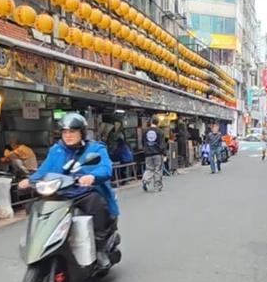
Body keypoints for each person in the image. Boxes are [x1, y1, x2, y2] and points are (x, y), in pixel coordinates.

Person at [18, 113, 117, 268]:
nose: (68, 135)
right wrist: (30, 180)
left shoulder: (95, 148)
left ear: (81, 133)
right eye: (65, 132)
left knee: (96, 205)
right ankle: (40, 243)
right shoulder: (56, 150)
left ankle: (100, 248)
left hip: (84, 192)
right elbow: (45, 169)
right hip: (61, 193)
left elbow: (106, 167)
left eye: (72, 132)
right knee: (34, 207)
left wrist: (92, 176)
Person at [141, 116, 165, 192]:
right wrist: (164, 153)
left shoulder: (145, 131)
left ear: (151, 122)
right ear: (158, 123)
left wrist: (145, 150)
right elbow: (162, 144)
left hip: (148, 153)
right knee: (157, 169)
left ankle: (145, 181)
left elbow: (142, 142)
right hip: (157, 153)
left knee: (149, 169)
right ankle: (157, 186)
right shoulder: (160, 132)